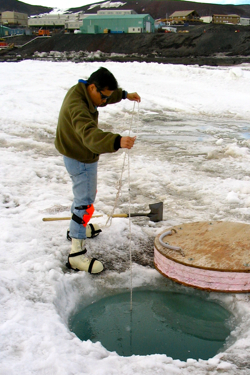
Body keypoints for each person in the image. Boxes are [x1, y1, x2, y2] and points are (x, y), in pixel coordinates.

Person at [55, 67, 141, 274]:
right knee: (84, 202)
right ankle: (76, 255)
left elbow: (105, 96)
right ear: (93, 87)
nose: (104, 102)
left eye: (107, 97)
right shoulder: (78, 106)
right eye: (103, 97)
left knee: (83, 197)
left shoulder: (84, 90)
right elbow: (89, 134)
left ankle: (78, 228)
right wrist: (117, 141)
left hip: (76, 151)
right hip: (80, 156)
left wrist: (124, 95)